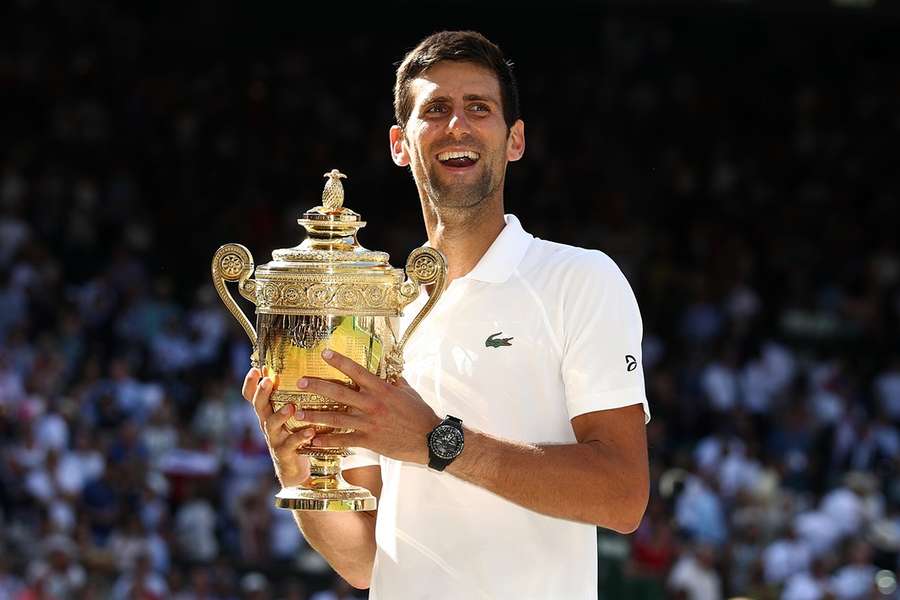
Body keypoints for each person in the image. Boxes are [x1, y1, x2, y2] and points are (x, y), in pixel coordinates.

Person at [242, 30, 650, 599]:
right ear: (399, 144)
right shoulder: (375, 310)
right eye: (435, 110)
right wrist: (299, 473)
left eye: (478, 108)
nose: (456, 125)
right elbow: (363, 559)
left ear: (515, 140)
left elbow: (623, 496)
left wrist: (438, 442)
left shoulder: (579, 280)